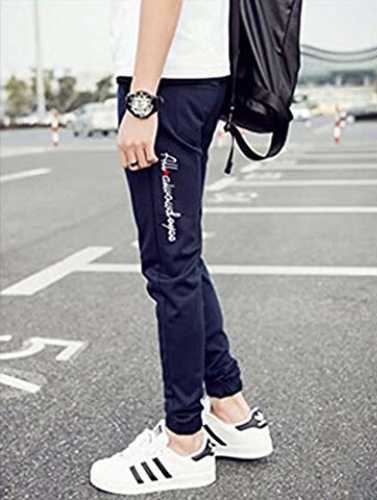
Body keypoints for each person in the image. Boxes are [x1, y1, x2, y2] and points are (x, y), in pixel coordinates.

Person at [90, 0, 273, 495]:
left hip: (167, 83)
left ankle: (184, 445)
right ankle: (231, 411)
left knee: (170, 267)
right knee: (181, 258)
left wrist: (142, 101)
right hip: (192, 77)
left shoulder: (155, 91)